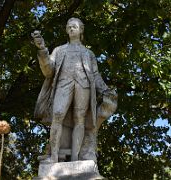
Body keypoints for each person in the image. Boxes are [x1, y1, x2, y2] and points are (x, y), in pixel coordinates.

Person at [32, 17, 113, 163]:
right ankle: (54, 156)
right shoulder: (59, 50)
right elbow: (48, 71)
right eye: (68, 26)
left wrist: (106, 90)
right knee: (57, 114)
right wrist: (42, 50)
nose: (71, 28)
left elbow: (95, 75)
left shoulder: (89, 53)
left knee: (80, 119)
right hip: (63, 84)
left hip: (83, 86)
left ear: (81, 29)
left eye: (74, 26)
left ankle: (76, 157)